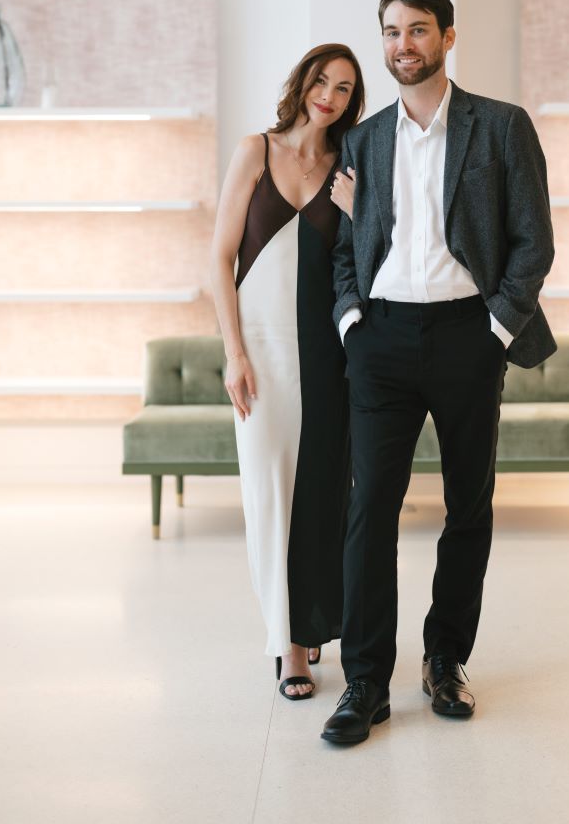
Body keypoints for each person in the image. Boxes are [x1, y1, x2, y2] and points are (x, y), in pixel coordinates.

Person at [320, 0, 556, 744]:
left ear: (448, 38)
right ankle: (364, 682)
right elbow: (346, 253)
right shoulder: (364, 141)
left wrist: (493, 330)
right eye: (390, 32)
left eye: (417, 31)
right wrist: (353, 320)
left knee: (468, 508)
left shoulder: (501, 127)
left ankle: (445, 661)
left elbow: (533, 243)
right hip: (381, 341)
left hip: (468, 336)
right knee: (369, 512)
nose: (402, 46)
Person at [210, 44, 365, 700]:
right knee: (269, 494)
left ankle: (306, 635)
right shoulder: (255, 151)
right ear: (303, 83)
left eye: (344, 87)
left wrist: (360, 212)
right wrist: (233, 353)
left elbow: (366, 261)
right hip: (262, 357)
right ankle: (286, 643)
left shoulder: (347, 168)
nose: (329, 94)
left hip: (329, 358)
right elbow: (219, 260)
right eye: (322, 80)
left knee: (325, 498)